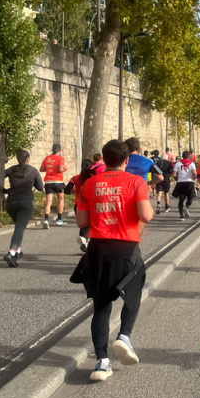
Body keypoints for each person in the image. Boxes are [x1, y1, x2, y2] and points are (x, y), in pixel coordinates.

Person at [74, 139, 154, 382]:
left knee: (101, 306)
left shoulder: (90, 183)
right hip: (126, 247)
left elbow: (81, 222)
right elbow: (146, 215)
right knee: (134, 292)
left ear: (104, 160)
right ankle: (124, 336)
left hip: (97, 248)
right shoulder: (136, 181)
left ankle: (101, 362)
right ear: (127, 160)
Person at [0, 149, 44, 267]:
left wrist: (5, 191)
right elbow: (40, 187)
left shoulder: (11, 170)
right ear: (28, 159)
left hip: (11, 203)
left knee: (19, 227)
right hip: (26, 202)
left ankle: (18, 251)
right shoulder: (33, 170)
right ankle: (11, 253)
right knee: (20, 228)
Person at [65, 159, 97, 252]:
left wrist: (73, 191)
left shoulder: (75, 178)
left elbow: (66, 190)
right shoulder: (93, 177)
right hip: (90, 203)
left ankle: (84, 242)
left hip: (77, 204)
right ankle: (84, 240)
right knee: (90, 224)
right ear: (91, 167)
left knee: (84, 224)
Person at [40, 143, 68, 228]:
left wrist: (49, 168)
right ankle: (59, 219)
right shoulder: (61, 158)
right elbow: (60, 169)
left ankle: (46, 219)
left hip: (48, 182)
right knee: (61, 199)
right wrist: (65, 169)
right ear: (59, 151)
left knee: (49, 201)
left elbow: (41, 169)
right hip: (58, 181)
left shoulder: (47, 158)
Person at [173, 151, 197, 220]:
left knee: (181, 200)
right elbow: (194, 173)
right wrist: (193, 179)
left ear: (182, 156)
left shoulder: (178, 164)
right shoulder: (192, 164)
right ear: (189, 156)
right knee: (191, 197)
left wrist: (176, 179)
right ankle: (186, 207)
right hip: (189, 182)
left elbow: (174, 174)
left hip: (180, 183)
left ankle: (181, 216)